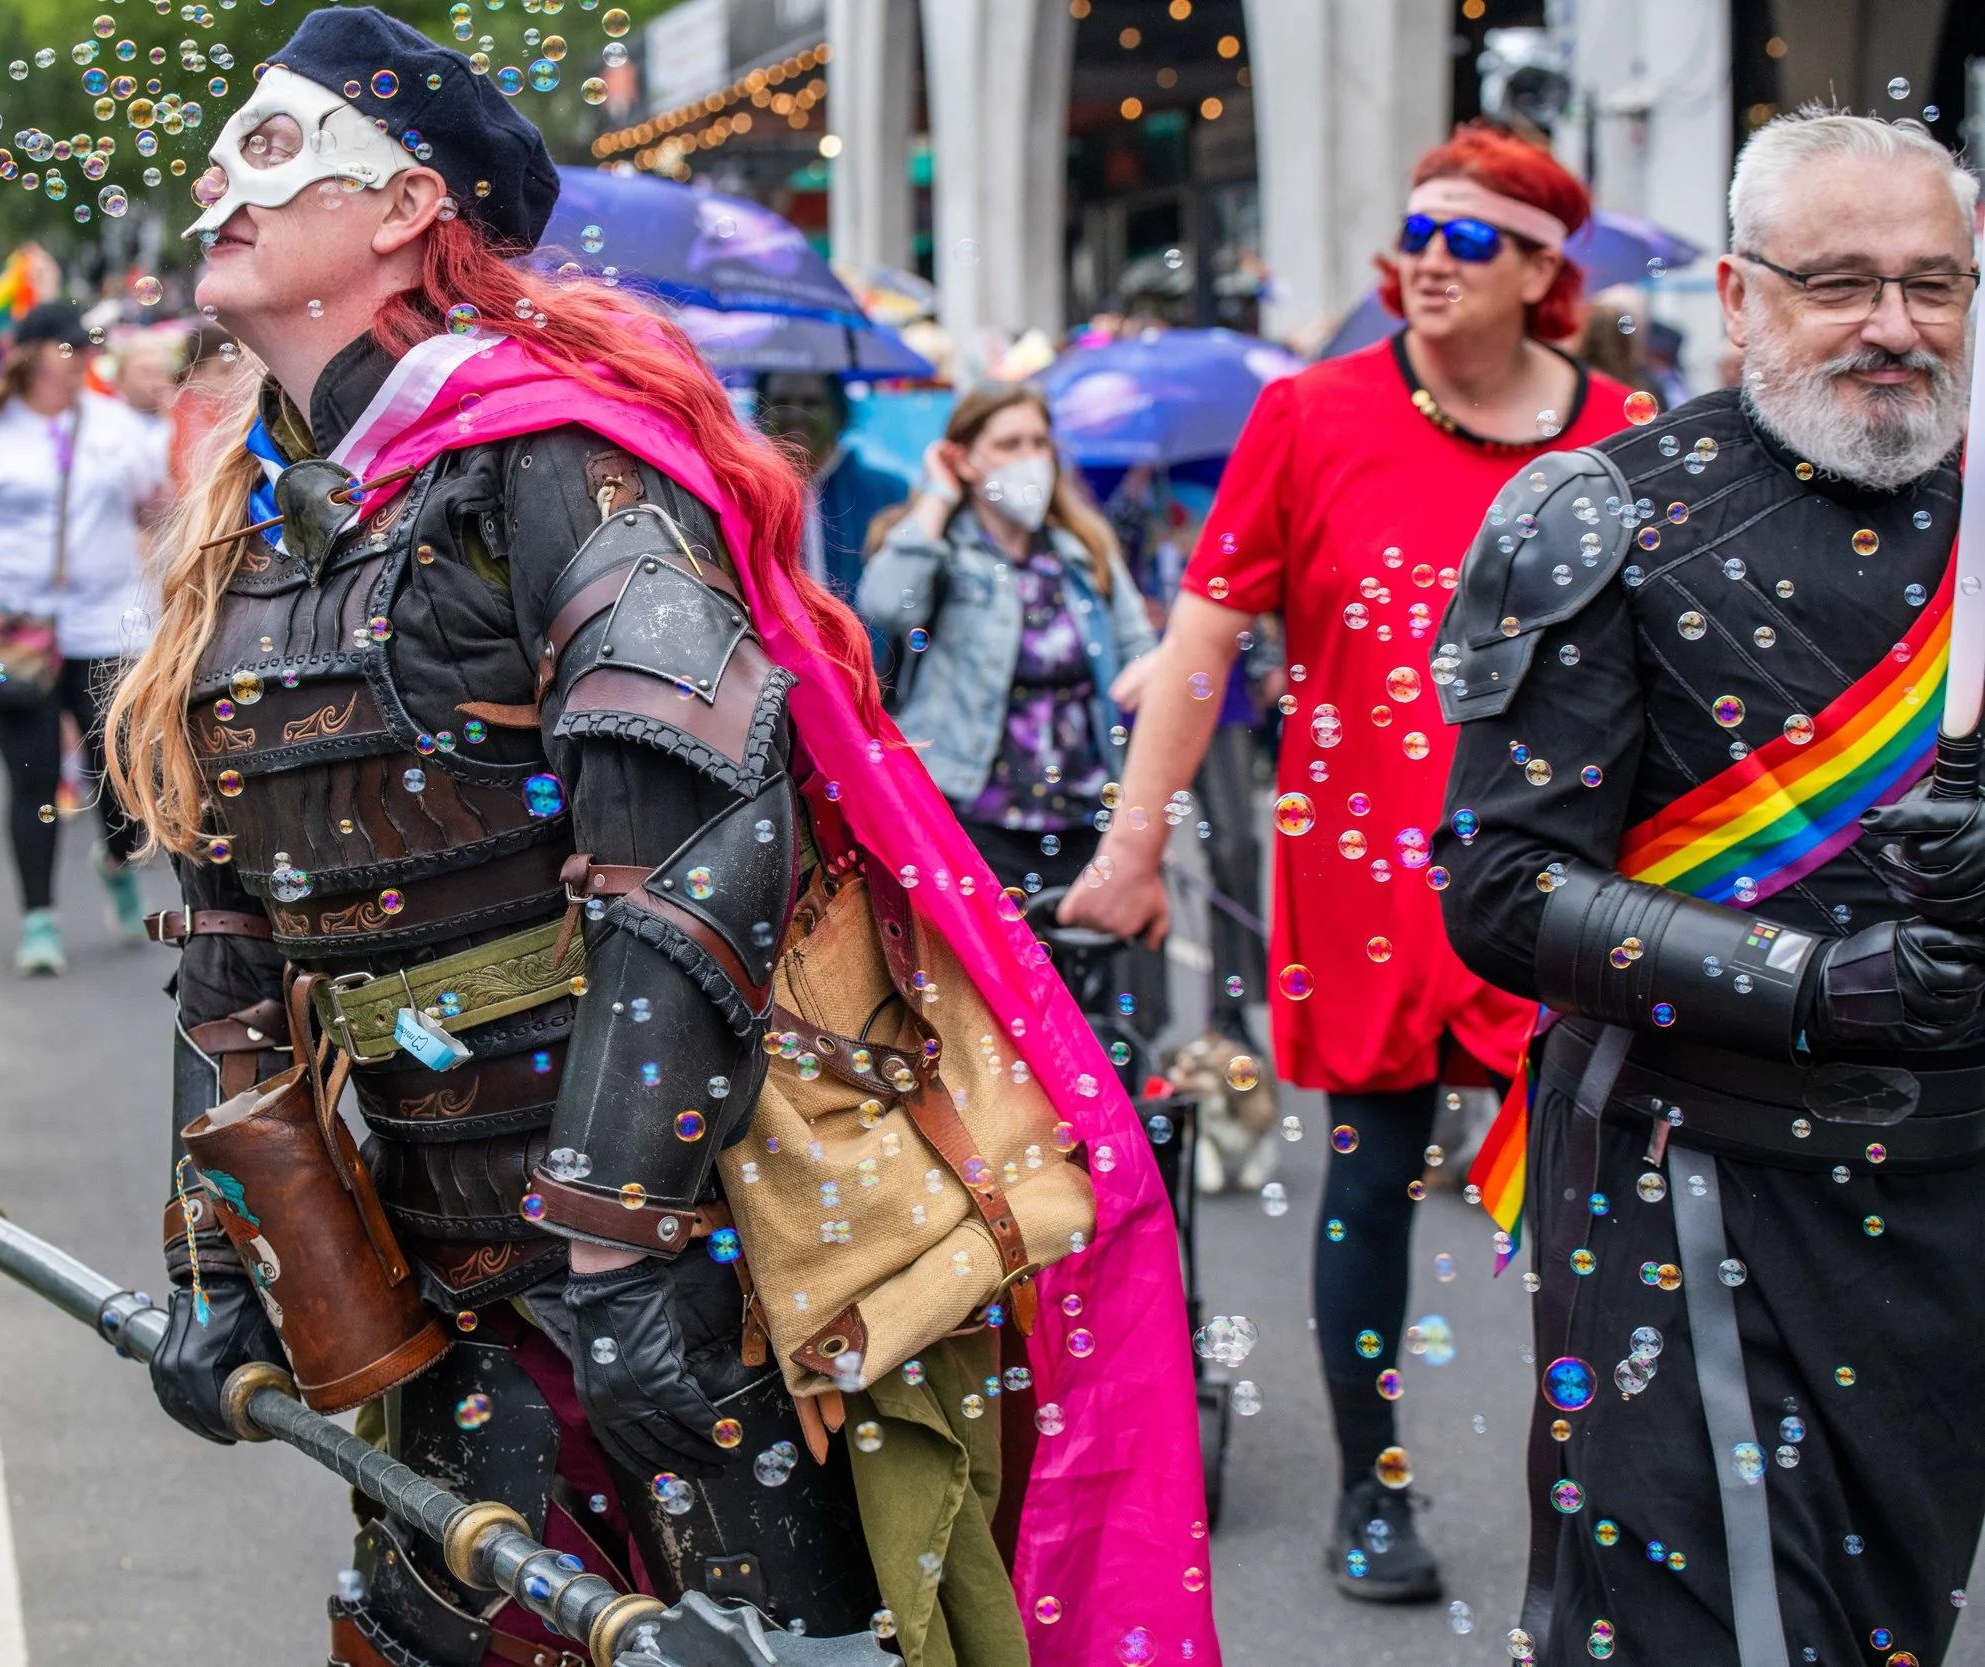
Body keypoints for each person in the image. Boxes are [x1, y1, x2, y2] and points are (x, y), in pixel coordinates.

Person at [100, 12, 1211, 1664]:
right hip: (424, 1271)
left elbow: (699, 861)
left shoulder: (554, 464)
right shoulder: (255, 531)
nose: (219, 189)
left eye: (270, 151)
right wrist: (217, 1248)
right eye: (220, 157)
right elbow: (224, 922)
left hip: (686, 1261)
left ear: (406, 204)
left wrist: (620, 1250)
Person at [1435, 112, 1983, 1666]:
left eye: (1934, 283)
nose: (1895, 325)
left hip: (1953, 1202)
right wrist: (1809, 982)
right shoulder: (1598, 515)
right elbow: (1499, 886)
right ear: (1739, 295)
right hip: (1693, 1185)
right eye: (1841, 281)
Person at [1059, 121, 1632, 1601]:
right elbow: (1203, 636)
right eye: (1416, 231)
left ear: (1543, 271)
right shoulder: (1310, 413)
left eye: (1469, 237)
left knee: (1592, 1204)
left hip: (1571, 883)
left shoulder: (1626, 429)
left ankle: (1602, 1499)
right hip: (1369, 869)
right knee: (1369, 1184)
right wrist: (1133, 843)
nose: (1428, 260)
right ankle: (1368, 1489)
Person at [0, 301, 168, 976]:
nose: (82, 360)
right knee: (32, 779)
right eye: (69, 348)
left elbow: (155, 509)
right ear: (35, 354)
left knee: (123, 772)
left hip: (108, 623)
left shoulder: (114, 426)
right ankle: (38, 920)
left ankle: (117, 859)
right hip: (13, 633)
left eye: (87, 348)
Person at [857, 386, 1157, 900]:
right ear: (965, 460)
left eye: (1038, 443)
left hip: (1087, 819)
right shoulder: (938, 547)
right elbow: (884, 604)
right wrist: (939, 492)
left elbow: (1139, 651)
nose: (1029, 459)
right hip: (971, 818)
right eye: (1008, 444)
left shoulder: (1084, 551)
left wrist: (1152, 672)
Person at [753, 370, 908, 608]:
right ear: (761, 413)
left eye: (811, 403)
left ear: (839, 412)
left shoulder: (889, 494)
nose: (796, 414)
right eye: (781, 402)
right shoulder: (746, 496)